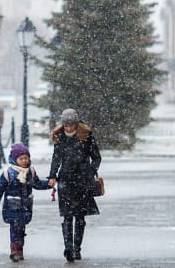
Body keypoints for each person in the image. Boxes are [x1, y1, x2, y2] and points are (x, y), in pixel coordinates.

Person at [48, 108, 102, 262]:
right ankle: (68, 248)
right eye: (66, 125)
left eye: (71, 125)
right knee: (67, 216)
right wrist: (52, 175)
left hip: (83, 181)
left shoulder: (86, 136)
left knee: (79, 217)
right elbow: (56, 157)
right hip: (65, 181)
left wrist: (90, 172)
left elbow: (96, 157)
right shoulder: (60, 137)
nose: (69, 128)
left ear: (76, 124)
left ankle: (77, 248)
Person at [0, 143, 52, 262]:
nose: (24, 161)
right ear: (15, 159)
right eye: (21, 159)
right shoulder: (8, 173)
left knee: (21, 229)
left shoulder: (31, 171)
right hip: (12, 207)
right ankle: (14, 251)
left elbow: (37, 184)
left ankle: (19, 250)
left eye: (26, 158)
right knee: (15, 228)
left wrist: (49, 184)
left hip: (25, 206)